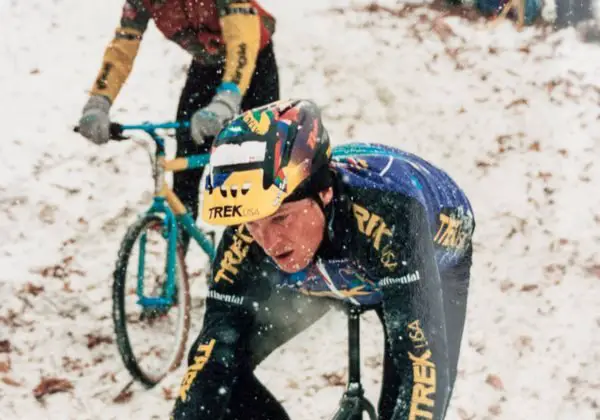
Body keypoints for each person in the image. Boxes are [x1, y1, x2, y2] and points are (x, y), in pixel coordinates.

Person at [171, 99, 476, 420]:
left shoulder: (390, 214)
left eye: (280, 219)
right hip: (322, 262)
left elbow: (422, 369)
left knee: (404, 393)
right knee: (223, 371)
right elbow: (211, 355)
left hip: (429, 258)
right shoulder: (252, 226)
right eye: (253, 224)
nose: (268, 241)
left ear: (325, 192)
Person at [77, 0, 279, 250]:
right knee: (186, 163)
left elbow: (242, 41)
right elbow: (122, 47)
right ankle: (176, 264)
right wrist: (99, 101)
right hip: (207, 65)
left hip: (254, 62)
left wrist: (227, 99)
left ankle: (266, 258)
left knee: (258, 167)